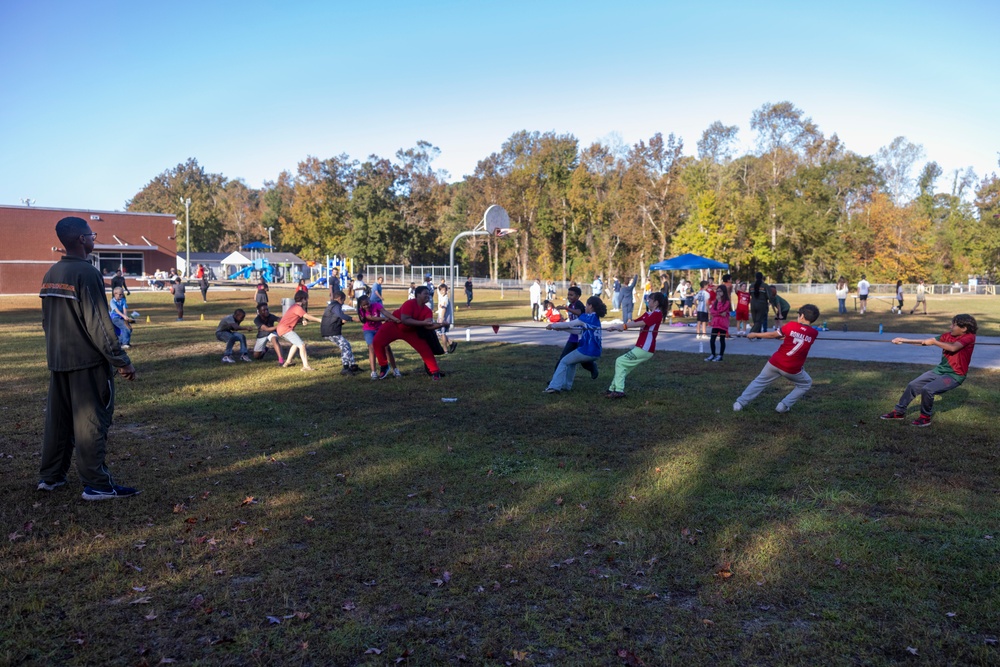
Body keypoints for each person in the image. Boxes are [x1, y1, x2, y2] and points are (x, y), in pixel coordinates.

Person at [38, 216, 139, 500]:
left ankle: (51, 477)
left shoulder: (51, 273)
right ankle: (96, 484)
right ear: (82, 240)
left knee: (57, 422)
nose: (94, 238)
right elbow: (99, 324)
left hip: (59, 360)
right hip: (86, 363)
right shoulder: (87, 273)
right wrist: (121, 360)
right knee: (91, 422)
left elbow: (47, 322)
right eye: (91, 234)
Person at [879, 314, 977, 428]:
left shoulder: (969, 337)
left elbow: (953, 348)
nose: (950, 327)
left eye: (953, 325)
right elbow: (925, 342)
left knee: (928, 389)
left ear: (964, 328)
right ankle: (898, 412)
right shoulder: (947, 336)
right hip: (940, 370)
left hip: (955, 375)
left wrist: (934, 342)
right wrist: (903, 340)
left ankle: (925, 418)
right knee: (913, 385)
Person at [733, 304, 821, 413]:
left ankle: (740, 403)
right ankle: (783, 405)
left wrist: (755, 334)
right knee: (805, 383)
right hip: (792, 369)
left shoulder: (791, 325)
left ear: (802, 316)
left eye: (798, 314)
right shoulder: (814, 333)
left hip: (775, 362)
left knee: (759, 381)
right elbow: (800, 336)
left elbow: (772, 335)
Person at [372, 285, 446, 380]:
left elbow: (428, 325)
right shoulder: (409, 303)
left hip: (411, 331)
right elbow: (405, 320)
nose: (428, 296)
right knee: (377, 341)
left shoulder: (427, 311)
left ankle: (435, 372)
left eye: (429, 294)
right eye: (425, 294)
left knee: (425, 350)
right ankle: (384, 365)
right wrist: (422, 322)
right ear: (418, 295)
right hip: (395, 325)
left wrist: (441, 324)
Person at [605, 292, 665, 398]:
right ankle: (612, 389)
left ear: (656, 302)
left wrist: (624, 326)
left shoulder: (657, 314)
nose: (648, 301)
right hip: (641, 346)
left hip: (645, 348)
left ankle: (619, 391)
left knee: (620, 361)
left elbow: (642, 323)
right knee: (623, 367)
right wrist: (616, 327)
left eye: (650, 300)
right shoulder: (648, 313)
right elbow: (635, 321)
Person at [544, 296, 606, 394]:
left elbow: (569, 324)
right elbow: (578, 331)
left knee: (563, 361)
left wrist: (553, 325)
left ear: (590, 306)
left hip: (587, 351)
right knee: (571, 362)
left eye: (586, 305)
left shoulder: (586, 317)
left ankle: (554, 387)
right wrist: (560, 328)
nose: (585, 307)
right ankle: (566, 386)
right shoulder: (595, 319)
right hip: (596, 352)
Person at [553, 285, 599, 380]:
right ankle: (555, 380)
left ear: (578, 296)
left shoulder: (578, 304)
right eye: (568, 295)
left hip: (581, 337)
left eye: (571, 295)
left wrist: (566, 308)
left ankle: (592, 367)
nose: (569, 297)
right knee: (563, 358)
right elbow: (571, 321)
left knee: (584, 362)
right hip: (573, 336)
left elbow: (579, 313)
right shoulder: (570, 306)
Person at [357, 294, 401, 379]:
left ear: (370, 301)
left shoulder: (376, 305)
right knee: (371, 347)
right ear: (361, 306)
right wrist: (384, 319)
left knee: (386, 347)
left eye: (367, 304)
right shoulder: (361, 311)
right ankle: (373, 372)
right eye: (364, 305)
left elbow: (385, 312)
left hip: (379, 329)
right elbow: (371, 318)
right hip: (368, 330)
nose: (366, 306)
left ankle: (395, 369)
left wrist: (395, 319)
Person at [278, 291, 323, 371]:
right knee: (301, 345)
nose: (307, 301)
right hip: (285, 329)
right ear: (303, 299)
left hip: (281, 329)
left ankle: (288, 362)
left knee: (296, 344)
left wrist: (301, 321)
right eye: (306, 299)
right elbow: (307, 316)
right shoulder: (297, 307)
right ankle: (305, 366)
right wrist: (319, 320)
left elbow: (294, 317)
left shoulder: (294, 307)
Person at [321, 291, 362, 375]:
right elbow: (341, 315)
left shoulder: (332, 305)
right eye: (343, 300)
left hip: (331, 330)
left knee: (347, 345)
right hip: (331, 332)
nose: (343, 303)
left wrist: (341, 322)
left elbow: (335, 318)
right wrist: (353, 319)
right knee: (345, 346)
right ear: (339, 298)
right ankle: (345, 368)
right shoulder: (335, 305)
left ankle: (352, 366)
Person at [706, 285, 731, 361]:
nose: (718, 293)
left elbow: (722, 309)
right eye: (717, 291)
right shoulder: (715, 302)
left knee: (722, 339)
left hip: (723, 324)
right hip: (715, 323)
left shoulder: (726, 302)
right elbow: (712, 311)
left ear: (724, 292)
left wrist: (720, 302)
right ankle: (713, 354)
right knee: (712, 339)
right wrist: (720, 314)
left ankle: (720, 355)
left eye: (720, 291)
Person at [437, 284, 458, 354]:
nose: (443, 291)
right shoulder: (441, 297)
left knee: (442, 333)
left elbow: (444, 309)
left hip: (443, 318)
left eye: (444, 290)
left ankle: (445, 350)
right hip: (440, 316)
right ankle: (451, 343)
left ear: (446, 291)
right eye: (441, 290)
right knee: (439, 333)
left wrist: (441, 318)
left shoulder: (445, 298)